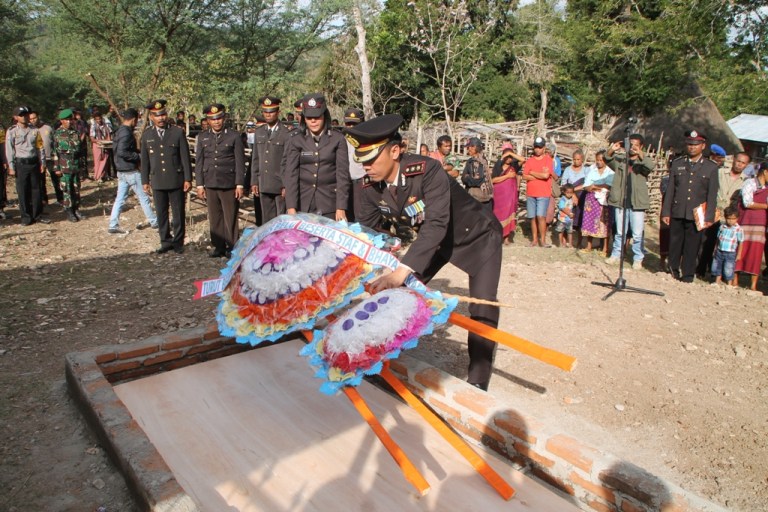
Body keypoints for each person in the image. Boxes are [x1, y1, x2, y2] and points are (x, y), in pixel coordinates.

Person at [345, 114, 503, 391]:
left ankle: (478, 382)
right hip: (435, 244)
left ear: (395, 151)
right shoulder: (368, 187)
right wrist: (382, 257)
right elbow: (367, 233)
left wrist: (400, 271)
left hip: (477, 237)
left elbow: (437, 223)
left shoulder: (427, 170)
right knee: (398, 295)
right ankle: (376, 360)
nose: (365, 166)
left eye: (371, 159)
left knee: (482, 305)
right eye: (362, 160)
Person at [661, 130, 719, 282]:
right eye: (690, 144)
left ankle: (687, 274)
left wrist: (709, 217)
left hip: (696, 213)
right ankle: (672, 270)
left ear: (703, 146)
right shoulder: (678, 164)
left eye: (696, 145)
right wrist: (666, 212)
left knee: (692, 245)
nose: (692, 147)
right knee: (675, 243)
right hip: (678, 210)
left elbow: (712, 195)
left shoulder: (711, 167)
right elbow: (671, 190)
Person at [284, 93, 350, 221]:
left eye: (317, 117)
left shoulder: (337, 139)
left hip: (329, 204)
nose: (313, 121)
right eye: (309, 117)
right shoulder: (296, 140)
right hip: (303, 204)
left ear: (324, 116)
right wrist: (291, 207)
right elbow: (291, 175)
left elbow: (342, 175)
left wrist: (341, 207)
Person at [140, 99, 192, 254]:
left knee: (178, 213)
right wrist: (145, 181)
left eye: (162, 114)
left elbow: (185, 157)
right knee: (161, 213)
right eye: (157, 115)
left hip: (176, 179)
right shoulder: (147, 135)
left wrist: (188, 178)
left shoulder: (177, 132)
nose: (161, 118)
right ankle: (165, 241)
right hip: (157, 180)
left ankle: (178, 242)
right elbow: (145, 160)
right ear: (151, 117)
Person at [196, 103, 246, 257]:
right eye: (212, 119)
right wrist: (199, 184)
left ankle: (232, 247)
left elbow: (239, 161)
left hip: (228, 183)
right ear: (208, 121)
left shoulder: (234, 136)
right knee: (215, 216)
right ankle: (218, 246)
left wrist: (239, 184)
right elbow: (199, 162)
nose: (216, 122)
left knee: (230, 217)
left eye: (219, 118)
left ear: (224, 118)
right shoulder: (203, 137)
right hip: (210, 182)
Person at [697, 151, 750, 278]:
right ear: (734, 160)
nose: (739, 165)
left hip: (729, 217)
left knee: (721, 246)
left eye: (743, 163)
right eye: (738, 161)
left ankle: (715, 273)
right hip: (713, 212)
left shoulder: (746, 181)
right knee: (705, 242)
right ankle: (699, 270)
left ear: (746, 165)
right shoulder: (719, 173)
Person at [605, 133, 654, 270]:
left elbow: (650, 166)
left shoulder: (643, 161)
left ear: (641, 146)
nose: (632, 148)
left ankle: (638, 258)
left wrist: (640, 154)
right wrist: (612, 149)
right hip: (621, 200)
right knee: (620, 232)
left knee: (637, 233)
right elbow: (607, 158)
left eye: (636, 145)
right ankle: (616, 255)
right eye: (630, 144)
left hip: (637, 202)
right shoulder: (620, 160)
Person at [108, 108, 157, 235]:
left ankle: (113, 224)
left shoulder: (120, 131)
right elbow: (122, 152)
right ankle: (154, 221)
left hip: (121, 170)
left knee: (120, 198)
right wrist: (139, 157)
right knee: (144, 197)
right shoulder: (126, 133)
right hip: (130, 171)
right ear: (134, 119)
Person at [5, 106, 48, 225]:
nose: (24, 117)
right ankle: (26, 217)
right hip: (21, 164)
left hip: (34, 162)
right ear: (15, 117)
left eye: (25, 114)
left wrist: (42, 162)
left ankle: (37, 215)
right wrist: (11, 166)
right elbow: (10, 150)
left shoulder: (34, 130)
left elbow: (40, 147)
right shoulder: (12, 131)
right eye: (21, 115)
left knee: (36, 190)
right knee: (23, 191)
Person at [250, 96, 289, 225]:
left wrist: (286, 184)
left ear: (278, 112)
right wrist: (254, 181)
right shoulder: (259, 132)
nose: (268, 115)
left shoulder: (286, 133)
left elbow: (288, 161)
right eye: (265, 112)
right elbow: (255, 158)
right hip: (264, 183)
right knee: (266, 220)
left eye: (271, 111)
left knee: (281, 220)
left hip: (279, 185)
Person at [734, 162, 768, 290]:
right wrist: (765, 206)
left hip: (760, 223)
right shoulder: (750, 183)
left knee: (756, 252)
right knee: (741, 248)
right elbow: (747, 203)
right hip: (746, 221)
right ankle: (735, 279)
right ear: (765, 172)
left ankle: (753, 284)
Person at [522, 136, 555, 247]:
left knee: (541, 216)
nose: (537, 149)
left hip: (543, 193)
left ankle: (543, 240)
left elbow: (546, 175)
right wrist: (538, 175)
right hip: (531, 192)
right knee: (532, 217)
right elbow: (525, 176)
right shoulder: (529, 161)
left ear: (544, 148)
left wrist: (532, 173)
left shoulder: (548, 160)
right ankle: (534, 240)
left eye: (540, 147)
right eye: (536, 147)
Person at [580, 150, 614, 254]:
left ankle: (605, 248)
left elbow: (608, 185)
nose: (599, 162)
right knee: (589, 222)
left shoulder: (610, 172)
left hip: (603, 200)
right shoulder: (592, 171)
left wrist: (594, 186)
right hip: (591, 200)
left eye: (601, 160)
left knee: (604, 223)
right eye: (597, 160)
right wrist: (593, 187)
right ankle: (589, 246)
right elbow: (586, 185)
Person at [52, 109, 84, 222]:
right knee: (67, 189)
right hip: (64, 165)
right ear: (61, 120)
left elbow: (80, 151)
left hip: (75, 165)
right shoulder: (57, 134)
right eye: (66, 119)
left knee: (76, 188)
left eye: (70, 119)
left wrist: (82, 166)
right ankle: (69, 211)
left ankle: (76, 209)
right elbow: (55, 152)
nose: (69, 121)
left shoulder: (75, 133)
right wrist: (56, 168)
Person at [29, 110, 61, 208]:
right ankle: (44, 200)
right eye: (30, 119)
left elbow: (55, 142)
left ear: (38, 117)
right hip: (38, 159)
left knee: (56, 179)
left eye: (34, 118)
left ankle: (61, 199)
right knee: (40, 181)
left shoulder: (48, 128)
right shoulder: (30, 130)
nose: (33, 120)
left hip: (50, 157)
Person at [490, 142, 521, 244]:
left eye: (510, 157)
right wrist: (507, 177)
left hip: (509, 196)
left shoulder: (514, 166)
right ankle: (498, 236)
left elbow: (523, 160)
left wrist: (511, 153)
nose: (509, 158)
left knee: (508, 213)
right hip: (499, 196)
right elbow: (493, 180)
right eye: (507, 156)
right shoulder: (498, 167)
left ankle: (506, 238)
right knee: (498, 214)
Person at [560, 149, 587, 248]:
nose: (576, 161)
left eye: (578, 159)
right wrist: (572, 194)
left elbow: (586, 184)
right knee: (566, 218)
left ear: (582, 159)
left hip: (582, 197)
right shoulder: (568, 170)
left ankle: (579, 242)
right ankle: (564, 240)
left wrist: (573, 190)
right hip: (568, 197)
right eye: (574, 159)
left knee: (580, 219)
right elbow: (563, 183)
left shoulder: (586, 170)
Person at [343, 107, 366, 221]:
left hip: (361, 184)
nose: (351, 127)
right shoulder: (340, 140)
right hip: (344, 184)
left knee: (360, 217)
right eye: (349, 123)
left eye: (354, 123)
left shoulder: (366, 141)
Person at [711, 206, 743, 286]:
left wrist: (739, 254)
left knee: (728, 268)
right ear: (725, 218)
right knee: (717, 265)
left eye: (733, 219)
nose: (731, 221)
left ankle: (729, 284)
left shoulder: (738, 229)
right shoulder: (722, 227)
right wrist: (715, 249)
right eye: (729, 218)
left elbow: (741, 242)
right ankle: (717, 281)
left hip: (730, 253)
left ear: (737, 218)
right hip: (719, 250)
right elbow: (718, 239)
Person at [461, 137, 493, 209]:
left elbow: (475, 181)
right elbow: (464, 177)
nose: (467, 149)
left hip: (478, 198)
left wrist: (467, 177)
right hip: (484, 197)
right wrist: (467, 177)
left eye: (468, 147)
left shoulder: (476, 162)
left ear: (474, 147)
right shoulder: (479, 160)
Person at [89, 109, 113, 182]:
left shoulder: (106, 125)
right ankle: (97, 176)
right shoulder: (93, 126)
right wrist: (98, 141)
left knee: (105, 160)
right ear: (95, 119)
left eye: (99, 119)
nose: (98, 120)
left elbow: (109, 134)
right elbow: (92, 138)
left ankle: (102, 176)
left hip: (105, 144)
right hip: (97, 144)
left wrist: (108, 141)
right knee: (97, 161)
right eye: (97, 119)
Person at [555, 183, 576, 247]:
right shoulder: (563, 199)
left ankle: (570, 244)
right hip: (562, 218)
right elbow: (562, 208)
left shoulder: (571, 199)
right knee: (560, 231)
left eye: (571, 193)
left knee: (570, 232)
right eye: (568, 192)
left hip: (569, 219)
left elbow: (573, 206)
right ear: (564, 192)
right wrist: (569, 214)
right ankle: (561, 243)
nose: (569, 194)